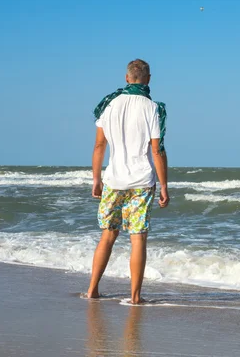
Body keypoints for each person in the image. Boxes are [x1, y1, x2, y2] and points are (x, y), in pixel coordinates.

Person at [87, 59, 169, 304]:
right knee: (138, 239)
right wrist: (164, 185)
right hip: (142, 181)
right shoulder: (152, 107)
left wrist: (96, 179)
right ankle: (135, 297)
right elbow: (157, 150)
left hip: (113, 179)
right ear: (149, 79)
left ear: (126, 78)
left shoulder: (109, 105)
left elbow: (99, 145)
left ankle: (92, 290)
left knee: (107, 236)